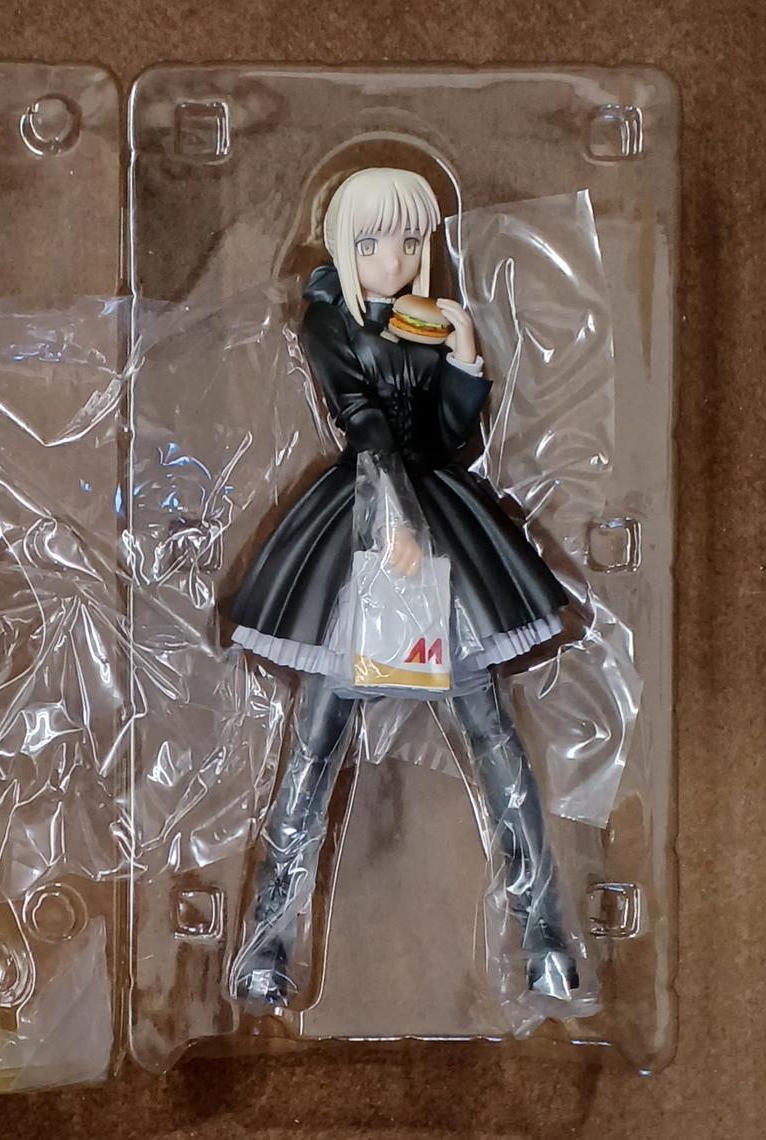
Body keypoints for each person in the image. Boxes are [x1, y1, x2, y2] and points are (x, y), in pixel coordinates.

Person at [228, 167, 585, 1011]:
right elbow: (364, 425)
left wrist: (463, 359)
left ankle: (544, 936)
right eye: (371, 242)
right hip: (365, 523)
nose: (393, 258)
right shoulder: (330, 321)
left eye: (410, 240)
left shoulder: (424, 320)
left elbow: (449, 435)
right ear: (344, 249)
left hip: (440, 521)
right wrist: (393, 519)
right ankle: (267, 943)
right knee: (314, 745)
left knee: (493, 735)